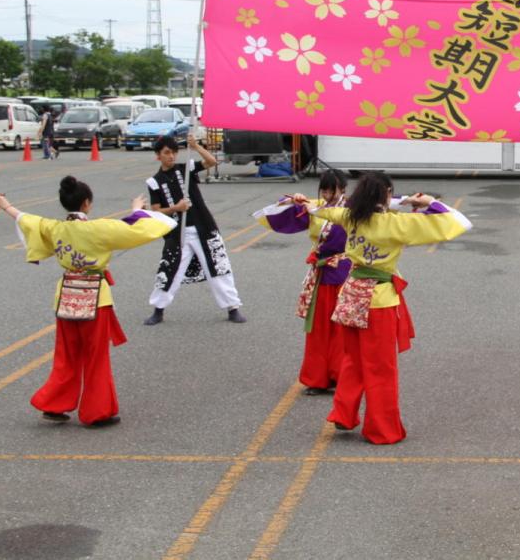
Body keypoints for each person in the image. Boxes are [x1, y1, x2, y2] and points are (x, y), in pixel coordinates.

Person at [290, 172, 471, 444]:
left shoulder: (349, 217)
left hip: (350, 296)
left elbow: (322, 209)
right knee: (381, 368)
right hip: (378, 301)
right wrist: (428, 201)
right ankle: (381, 429)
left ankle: (344, 413)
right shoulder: (396, 224)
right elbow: (459, 222)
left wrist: (306, 203)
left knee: (352, 361)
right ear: (387, 195)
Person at [0, 177, 175, 426]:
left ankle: (54, 404)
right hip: (95, 297)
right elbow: (132, 227)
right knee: (95, 357)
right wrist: (137, 209)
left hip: (66, 295)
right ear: (87, 203)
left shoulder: (54, 227)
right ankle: (96, 411)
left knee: (66, 355)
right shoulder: (98, 228)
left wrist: (5, 205)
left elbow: (25, 219)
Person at [253, 169, 350, 395]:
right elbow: (286, 215)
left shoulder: (351, 208)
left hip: (344, 272)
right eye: (323, 190)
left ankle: (339, 375)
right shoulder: (316, 207)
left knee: (340, 329)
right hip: (321, 273)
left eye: (331, 190)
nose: (327, 194)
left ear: (343, 189)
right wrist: (291, 200)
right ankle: (317, 378)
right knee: (318, 328)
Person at [143, 136, 245, 325]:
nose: (171, 156)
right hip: (177, 234)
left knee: (218, 265)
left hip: (204, 227)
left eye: (174, 152)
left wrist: (196, 146)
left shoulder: (185, 169)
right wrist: (175, 208)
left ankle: (233, 307)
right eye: (166, 153)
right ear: (158, 156)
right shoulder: (154, 182)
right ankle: (158, 310)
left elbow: (211, 162)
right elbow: (155, 210)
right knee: (169, 269)